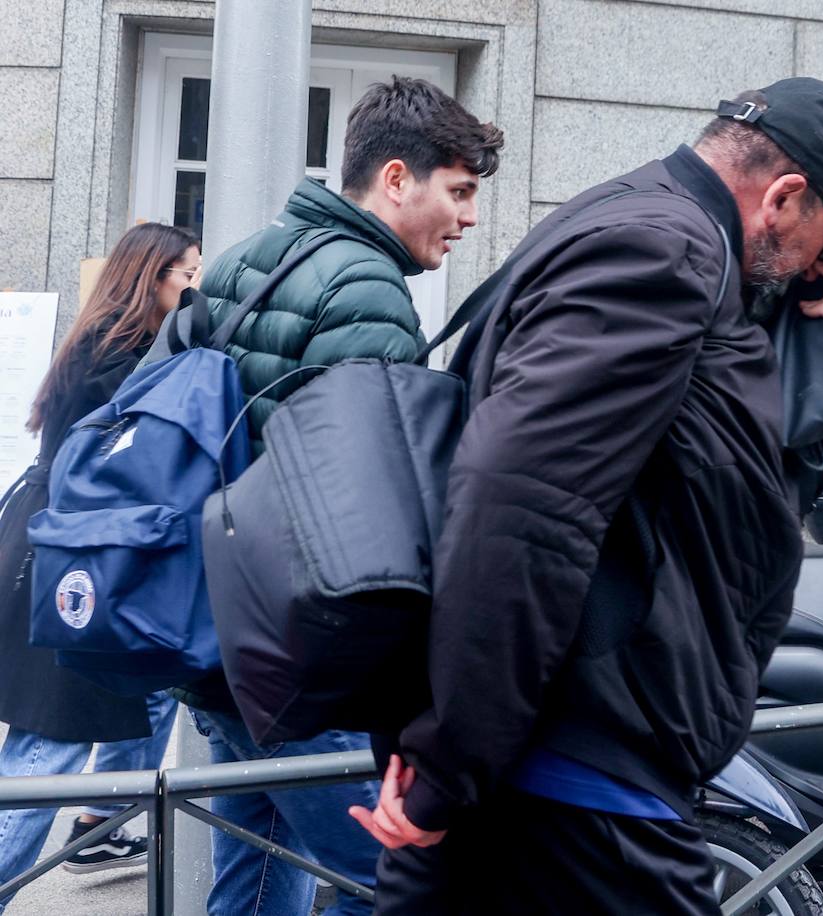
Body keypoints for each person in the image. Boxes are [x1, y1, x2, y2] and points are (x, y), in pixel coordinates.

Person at [351, 77, 823, 914]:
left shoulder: (649, 222)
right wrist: (451, 764)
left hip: (558, 760)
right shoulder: (665, 252)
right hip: (582, 772)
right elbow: (520, 508)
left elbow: (712, 490)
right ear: (784, 197)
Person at [183, 76, 504, 916]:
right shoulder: (367, 290)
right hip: (305, 663)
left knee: (253, 883)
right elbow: (376, 511)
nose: (469, 218)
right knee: (390, 884)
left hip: (220, 640)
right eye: (460, 191)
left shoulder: (247, 258)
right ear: (396, 179)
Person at [0, 223, 197, 908]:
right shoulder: (121, 351)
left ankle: (105, 821)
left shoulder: (104, 338)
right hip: (73, 561)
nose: (196, 288)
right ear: (154, 277)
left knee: (151, 689)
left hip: (62, 546)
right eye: (187, 274)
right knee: (47, 739)